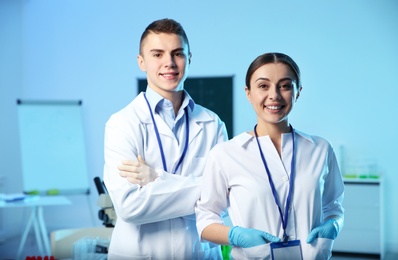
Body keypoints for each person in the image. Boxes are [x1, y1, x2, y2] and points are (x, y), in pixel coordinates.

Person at [195, 52, 344, 259]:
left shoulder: (321, 149)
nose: (274, 95)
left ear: (298, 91)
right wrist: (235, 235)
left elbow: (334, 207)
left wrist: (334, 224)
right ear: (248, 93)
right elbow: (205, 221)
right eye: (263, 86)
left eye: (284, 85)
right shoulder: (225, 154)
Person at [103, 18, 228, 259]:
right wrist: (204, 188)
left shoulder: (212, 124)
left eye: (177, 53)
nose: (169, 63)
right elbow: (130, 207)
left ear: (189, 59)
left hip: (197, 253)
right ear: (142, 62)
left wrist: (155, 178)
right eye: (157, 54)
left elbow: (223, 201)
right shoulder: (122, 123)